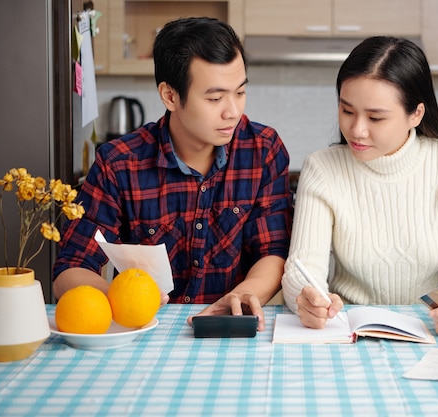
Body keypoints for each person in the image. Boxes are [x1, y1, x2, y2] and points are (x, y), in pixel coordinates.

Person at [53, 17, 293, 331]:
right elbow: (71, 269)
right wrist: (121, 299)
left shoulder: (263, 150)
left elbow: (273, 251)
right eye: (215, 98)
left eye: (240, 93)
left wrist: (244, 294)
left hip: (232, 328)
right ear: (170, 96)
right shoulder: (119, 163)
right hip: (147, 331)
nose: (232, 111)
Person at [281, 36, 438, 337]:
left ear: (415, 114)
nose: (357, 130)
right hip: (349, 331)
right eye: (347, 111)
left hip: (431, 331)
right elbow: (302, 269)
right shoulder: (323, 168)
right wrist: (308, 298)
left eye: (376, 117)